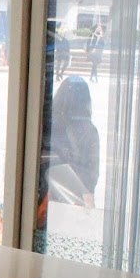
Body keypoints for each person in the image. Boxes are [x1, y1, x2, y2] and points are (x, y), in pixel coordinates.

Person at [45, 75, 100, 208]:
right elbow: (92, 174)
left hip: (49, 197)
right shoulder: (90, 131)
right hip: (76, 199)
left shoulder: (50, 125)